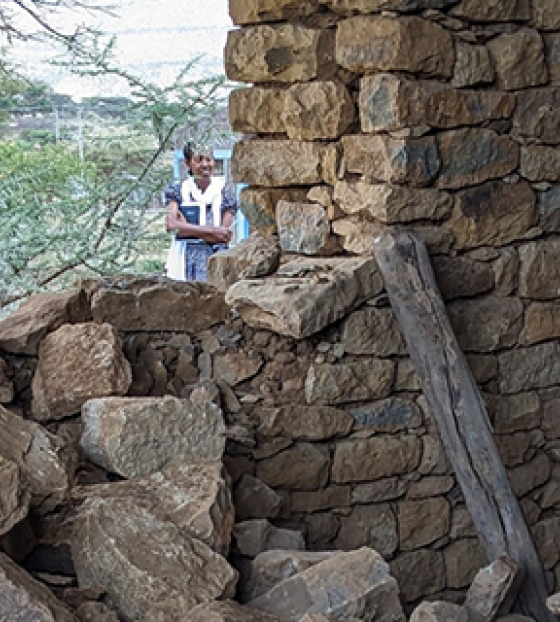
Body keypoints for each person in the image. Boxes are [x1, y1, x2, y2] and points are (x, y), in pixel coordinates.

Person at [164, 143, 237, 282]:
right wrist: (211, 231)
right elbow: (172, 226)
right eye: (199, 160)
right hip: (183, 259)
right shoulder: (177, 191)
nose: (205, 164)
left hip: (216, 260)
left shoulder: (225, 193)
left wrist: (186, 229)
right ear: (188, 163)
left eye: (208, 159)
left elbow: (223, 235)